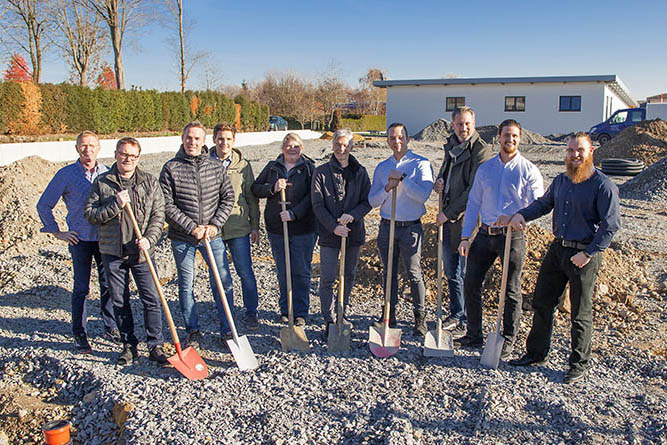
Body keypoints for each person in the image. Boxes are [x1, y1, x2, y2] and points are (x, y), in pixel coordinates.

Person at [506, 132, 621, 383]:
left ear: (591, 152)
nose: (575, 155)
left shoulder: (602, 185)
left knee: (580, 312)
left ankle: (578, 364)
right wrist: (521, 215)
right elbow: (543, 205)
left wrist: (589, 253)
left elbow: (610, 225)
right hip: (558, 249)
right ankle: (536, 354)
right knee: (542, 302)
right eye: (570, 151)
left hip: (584, 254)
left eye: (580, 150)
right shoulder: (561, 181)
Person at [455, 119, 544, 358]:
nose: (510, 140)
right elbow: (474, 203)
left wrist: (518, 216)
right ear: (499, 137)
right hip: (485, 234)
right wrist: (465, 237)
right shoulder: (486, 169)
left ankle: (508, 339)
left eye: (514, 136)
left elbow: (539, 204)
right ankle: (474, 334)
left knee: (510, 289)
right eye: (506, 135)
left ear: (520, 138)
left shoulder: (528, 170)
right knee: (471, 282)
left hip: (512, 237)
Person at [84, 137, 167, 365]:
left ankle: (155, 344)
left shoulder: (149, 182)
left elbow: (158, 215)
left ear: (138, 158)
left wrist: (150, 239)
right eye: (123, 154)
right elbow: (90, 214)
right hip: (113, 252)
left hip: (141, 252)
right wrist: (115, 205)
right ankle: (129, 345)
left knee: (151, 298)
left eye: (132, 155)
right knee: (120, 300)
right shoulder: (103, 182)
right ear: (116, 154)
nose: (127, 159)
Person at [37, 131, 119, 353]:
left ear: (99, 148)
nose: (87, 150)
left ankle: (110, 327)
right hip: (79, 239)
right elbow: (44, 204)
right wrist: (57, 232)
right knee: (81, 288)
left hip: (105, 240)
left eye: (92, 146)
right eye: (83, 146)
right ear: (76, 149)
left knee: (109, 286)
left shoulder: (108, 174)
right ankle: (79, 332)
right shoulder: (65, 175)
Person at [159, 121, 235, 348]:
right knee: (186, 284)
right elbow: (166, 205)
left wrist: (213, 225)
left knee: (222, 282)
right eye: (189, 138)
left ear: (204, 142)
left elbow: (228, 198)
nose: (192, 142)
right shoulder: (171, 168)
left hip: (213, 235)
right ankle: (193, 330)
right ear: (182, 139)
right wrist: (191, 227)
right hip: (183, 238)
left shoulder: (215, 167)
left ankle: (227, 330)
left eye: (197, 139)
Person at [368, 123, 434, 336]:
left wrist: (402, 181)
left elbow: (423, 196)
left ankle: (420, 318)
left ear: (407, 139)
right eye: (392, 138)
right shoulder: (382, 167)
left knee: (414, 273)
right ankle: (389, 314)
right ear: (387, 140)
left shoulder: (421, 164)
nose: (396, 141)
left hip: (411, 227)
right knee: (389, 273)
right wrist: (388, 187)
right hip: (388, 226)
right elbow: (372, 200)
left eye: (400, 137)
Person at [433, 106, 493, 338]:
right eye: (459, 124)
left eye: (467, 123)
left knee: (466, 272)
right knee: (451, 270)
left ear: (474, 123)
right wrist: (439, 181)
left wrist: (448, 212)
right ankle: (456, 312)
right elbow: (447, 174)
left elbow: (473, 190)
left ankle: (468, 317)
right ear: (453, 125)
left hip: (469, 221)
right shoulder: (452, 146)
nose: (464, 128)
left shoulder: (481, 150)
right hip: (448, 219)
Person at [252, 133, 317, 326]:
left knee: (301, 271)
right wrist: (272, 187)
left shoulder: (308, 168)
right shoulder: (273, 167)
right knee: (283, 271)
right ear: (282, 148)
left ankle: (300, 312)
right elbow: (255, 188)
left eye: (296, 146)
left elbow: (313, 196)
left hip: (303, 228)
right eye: (288, 145)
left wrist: (294, 213)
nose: (292, 149)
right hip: (276, 228)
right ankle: (285, 309)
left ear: (301, 148)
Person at [311, 128, 371, 335]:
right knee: (327, 277)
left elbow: (367, 202)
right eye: (338, 144)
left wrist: (352, 215)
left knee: (348, 274)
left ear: (352, 146)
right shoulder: (321, 172)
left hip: (353, 234)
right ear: (333, 145)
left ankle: (341, 312)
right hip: (329, 235)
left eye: (345, 145)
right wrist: (334, 226)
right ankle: (328, 319)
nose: (341, 149)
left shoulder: (360, 172)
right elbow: (317, 205)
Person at [210, 123, 262, 331]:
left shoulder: (243, 165)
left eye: (228, 139)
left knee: (245, 272)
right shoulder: (204, 163)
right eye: (220, 139)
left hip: (239, 228)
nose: (224, 143)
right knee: (220, 276)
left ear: (234, 141)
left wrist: (255, 226)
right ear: (214, 139)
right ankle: (225, 314)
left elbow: (251, 197)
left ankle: (251, 311)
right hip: (213, 229)